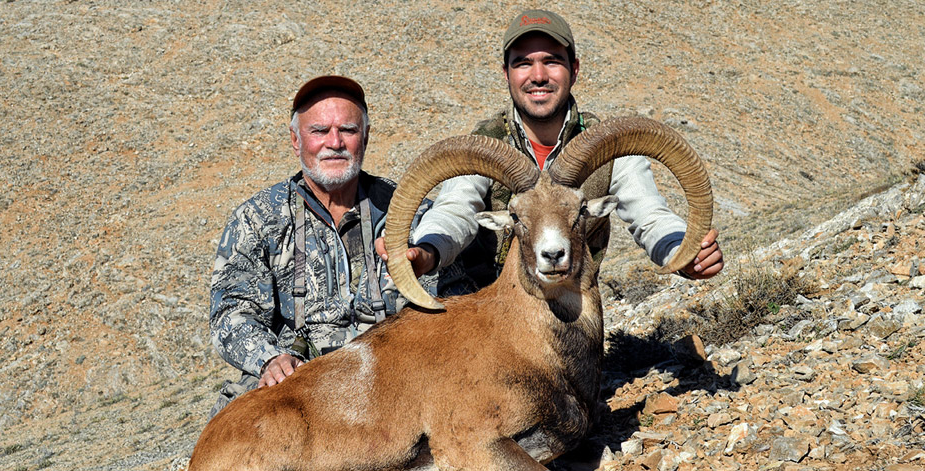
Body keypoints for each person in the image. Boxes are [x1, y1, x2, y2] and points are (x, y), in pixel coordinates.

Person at [380, 9, 723, 292]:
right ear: (507, 74)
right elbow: (455, 210)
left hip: (571, 305)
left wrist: (682, 252)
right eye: (523, 63)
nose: (539, 75)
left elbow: (650, 215)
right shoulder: (487, 143)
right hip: (489, 306)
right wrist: (425, 251)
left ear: (574, 69)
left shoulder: (608, 146)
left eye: (552, 60)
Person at [207, 75, 437, 418]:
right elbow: (230, 312)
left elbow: (454, 295)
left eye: (347, 130)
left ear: (366, 137)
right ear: (296, 140)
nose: (335, 142)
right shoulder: (256, 218)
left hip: (396, 379)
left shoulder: (410, 210)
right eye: (319, 131)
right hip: (299, 384)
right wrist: (269, 358)